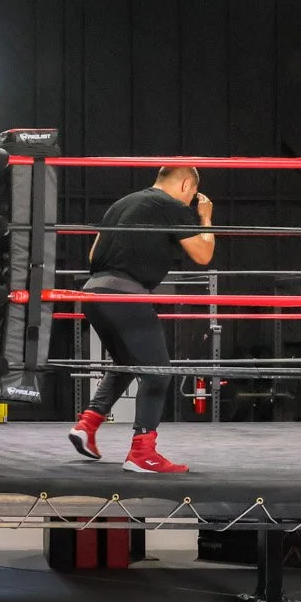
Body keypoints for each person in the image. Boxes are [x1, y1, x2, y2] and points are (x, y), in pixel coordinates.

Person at [66, 165, 217, 473]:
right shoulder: (172, 206)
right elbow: (203, 254)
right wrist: (204, 217)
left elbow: (93, 256)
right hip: (126, 295)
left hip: (94, 293)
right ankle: (142, 452)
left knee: (125, 362)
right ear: (188, 184)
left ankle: (87, 425)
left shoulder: (122, 203)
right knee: (158, 373)